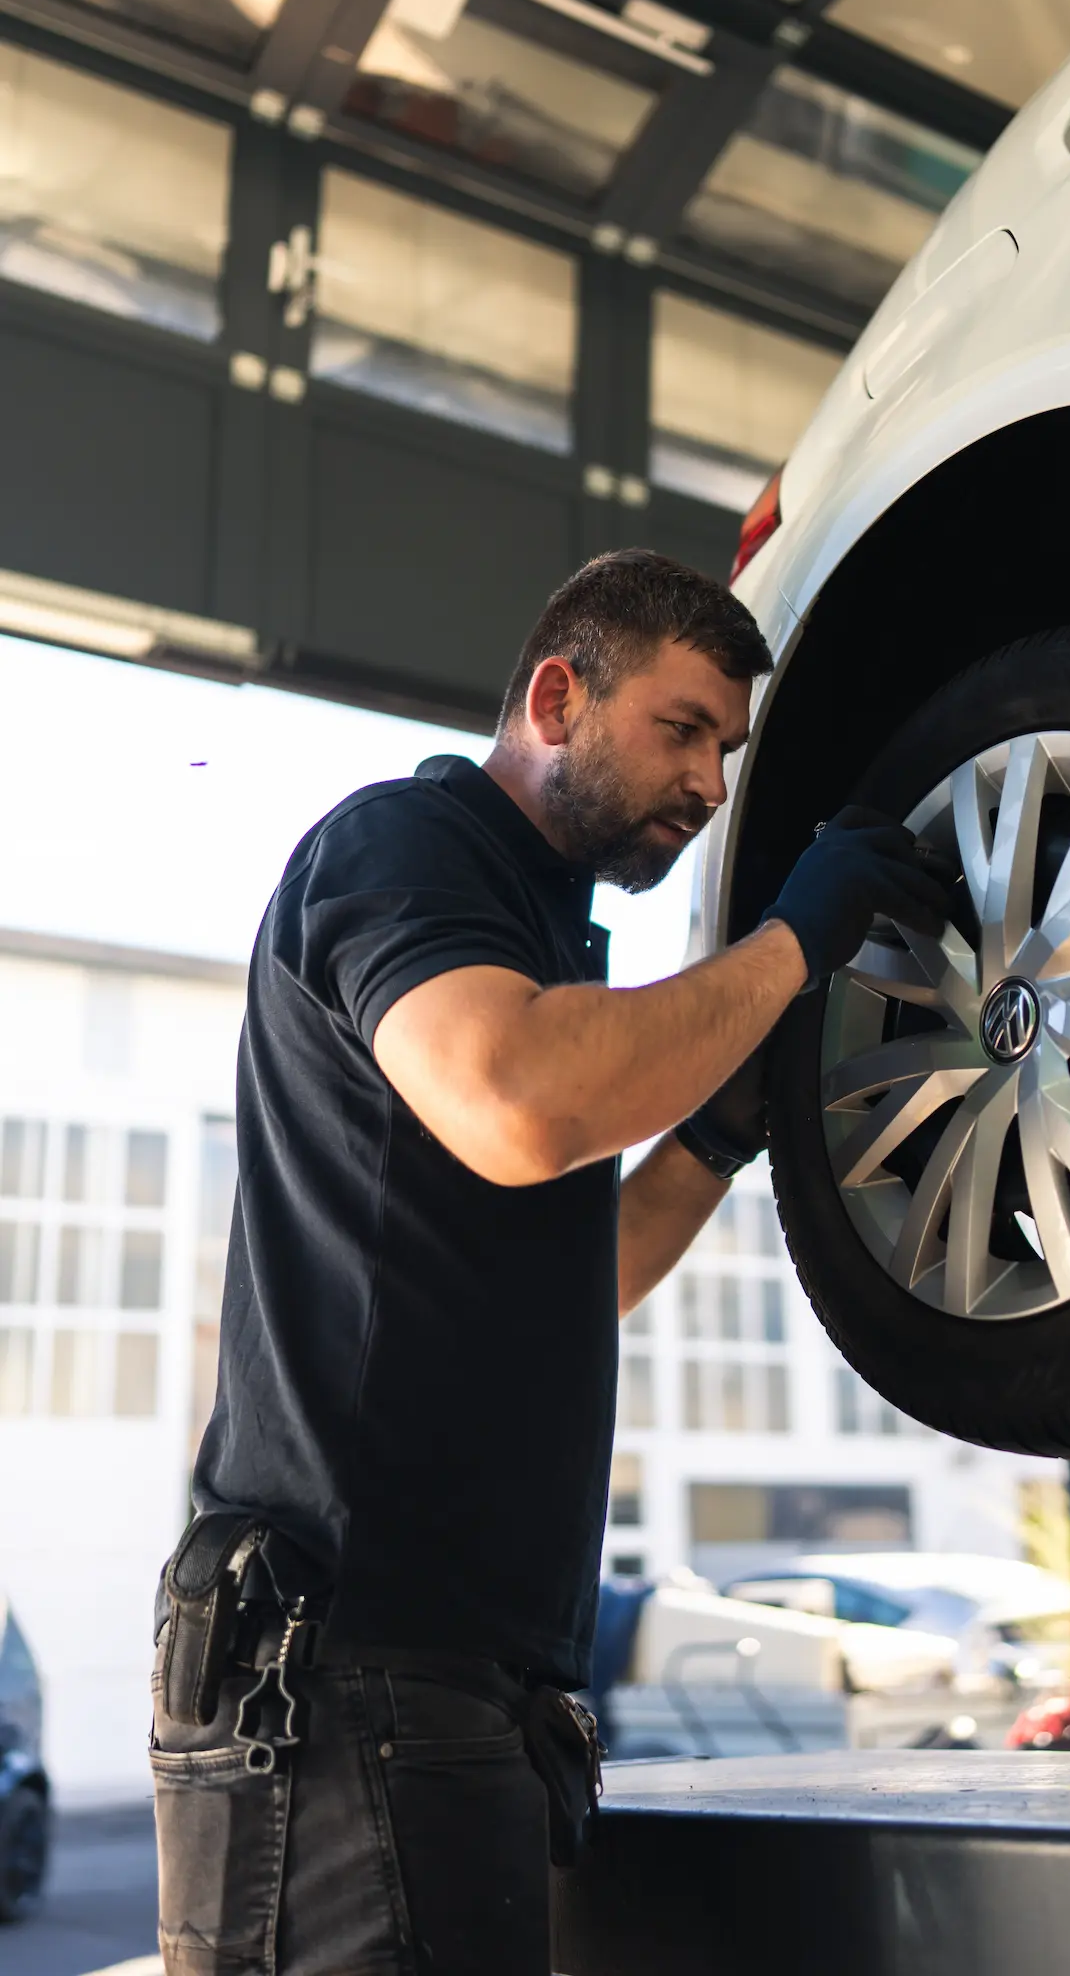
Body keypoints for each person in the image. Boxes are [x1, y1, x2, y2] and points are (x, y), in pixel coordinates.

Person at [148, 548, 949, 1976]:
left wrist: (716, 1135)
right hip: (334, 1680)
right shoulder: (401, 848)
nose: (710, 785)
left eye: (728, 749)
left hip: (456, 1688)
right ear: (558, 696)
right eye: (682, 728)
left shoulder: (549, 959)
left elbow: (589, 1272)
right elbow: (523, 1104)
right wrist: (787, 946)